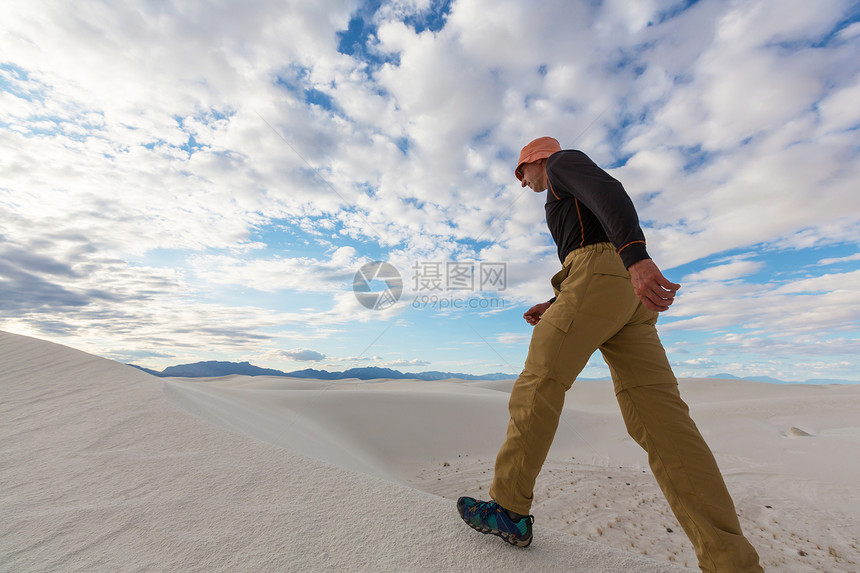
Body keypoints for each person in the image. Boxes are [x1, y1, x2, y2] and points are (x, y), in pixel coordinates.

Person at [457, 137, 763, 572]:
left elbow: (610, 193)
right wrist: (558, 298)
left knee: (537, 385)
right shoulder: (564, 191)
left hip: (605, 275)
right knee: (667, 428)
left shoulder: (563, 162)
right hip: (623, 301)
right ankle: (731, 562)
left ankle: (507, 508)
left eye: (521, 172)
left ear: (535, 160)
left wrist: (635, 257)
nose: (522, 184)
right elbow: (592, 238)